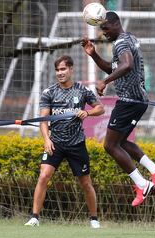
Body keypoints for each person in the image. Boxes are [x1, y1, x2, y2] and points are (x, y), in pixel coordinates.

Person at [80, 11, 155, 207]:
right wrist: (93, 54)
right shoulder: (128, 38)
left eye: (106, 28)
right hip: (137, 100)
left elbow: (126, 65)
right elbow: (115, 67)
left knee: (110, 146)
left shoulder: (121, 42)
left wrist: (104, 82)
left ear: (115, 24)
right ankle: (154, 169)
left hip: (130, 101)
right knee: (121, 142)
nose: (104, 33)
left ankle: (142, 184)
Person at [24, 55, 105, 228]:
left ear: (71, 70)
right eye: (57, 70)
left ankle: (94, 219)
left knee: (85, 182)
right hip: (56, 143)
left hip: (77, 143)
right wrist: (46, 139)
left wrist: (88, 113)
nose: (60, 73)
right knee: (44, 176)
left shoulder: (82, 91)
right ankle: (34, 217)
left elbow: (100, 108)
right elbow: (43, 119)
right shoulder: (49, 92)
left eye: (63, 69)